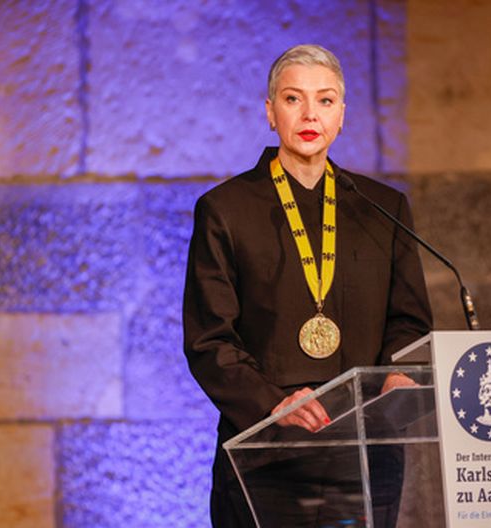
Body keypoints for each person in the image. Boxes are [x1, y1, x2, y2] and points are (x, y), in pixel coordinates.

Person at [183, 44, 432, 527]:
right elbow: (209, 339)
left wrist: (396, 374)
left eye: (326, 100)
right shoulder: (225, 209)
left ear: (342, 115)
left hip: (366, 452)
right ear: (270, 112)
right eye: (294, 99)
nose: (309, 114)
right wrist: (271, 402)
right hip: (266, 452)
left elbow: (409, 320)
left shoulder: (383, 208)